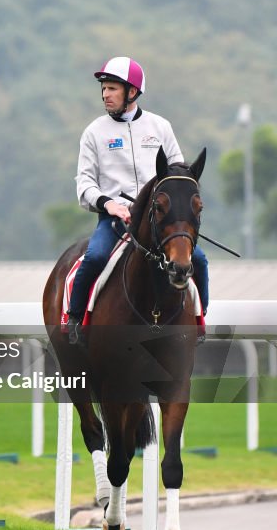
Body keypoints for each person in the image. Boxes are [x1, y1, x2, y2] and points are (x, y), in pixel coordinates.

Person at [67, 56, 208, 345]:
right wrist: (109, 205)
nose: (105, 94)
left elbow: (177, 175)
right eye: (104, 88)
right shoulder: (94, 132)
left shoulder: (161, 127)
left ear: (132, 92)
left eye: (112, 89)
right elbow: (84, 185)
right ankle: (74, 321)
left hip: (158, 221)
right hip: (114, 220)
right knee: (93, 258)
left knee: (200, 260)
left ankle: (200, 322)